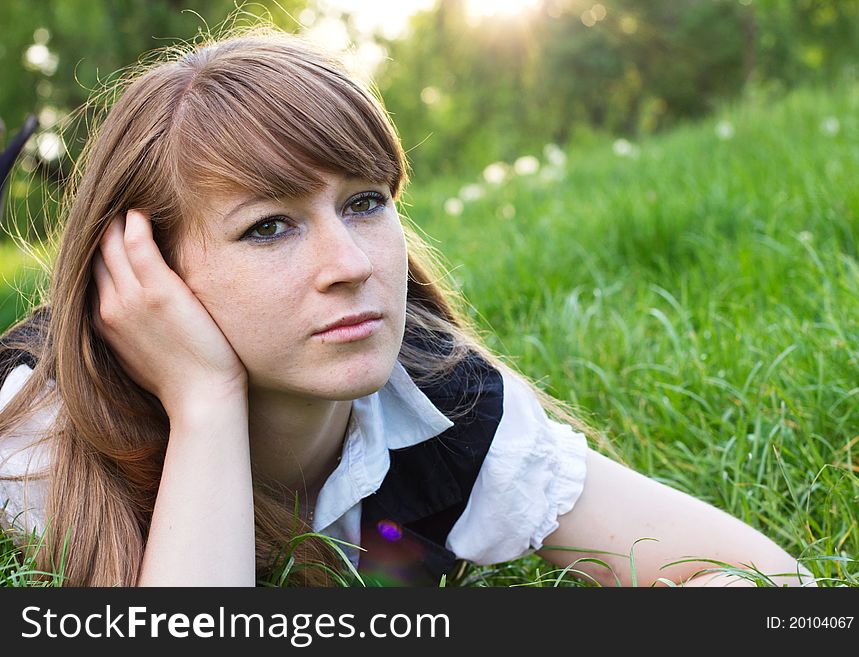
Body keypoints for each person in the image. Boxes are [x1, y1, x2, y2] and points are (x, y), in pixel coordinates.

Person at [0, 27, 814, 588]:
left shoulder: (440, 402)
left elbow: (772, 583)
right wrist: (206, 404)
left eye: (363, 202)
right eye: (269, 226)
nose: (351, 267)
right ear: (145, 274)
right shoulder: (36, 438)